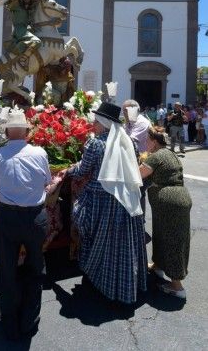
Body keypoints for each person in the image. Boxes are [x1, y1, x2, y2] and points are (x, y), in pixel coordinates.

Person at [66, 102, 147, 304]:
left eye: (96, 121)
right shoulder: (129, 142)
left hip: (100, 200)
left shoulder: (95, 144)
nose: (93, 124)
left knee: (98, 239)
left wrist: (67, 170)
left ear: (103, 123)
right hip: (126, 199)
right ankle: (125, 285)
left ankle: (99, 278)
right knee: (122, 244)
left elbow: (82, 171)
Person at [0, 108, 52, 340]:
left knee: (6, 270)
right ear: (26, 131)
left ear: (6, 131)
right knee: (36, 267)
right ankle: (29, 320)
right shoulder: (39, 152)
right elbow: (47, 180)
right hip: (35, 216)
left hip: (8, 216)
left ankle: (10, 323)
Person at [139, 127, 192, 299]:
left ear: (154, 141)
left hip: (169, 202)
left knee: (173, 240)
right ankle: (158, 265)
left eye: (147, 140)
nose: (145, 142)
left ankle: (177, 286)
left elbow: (137, 175)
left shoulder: (156, 156)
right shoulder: (170, 154)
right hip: (179, 198)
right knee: (163, 235)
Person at [5, 0, 41, 70]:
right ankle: (23, 58)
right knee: (37, 41)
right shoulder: (16, 5)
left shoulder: (28, 10)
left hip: (26, 30)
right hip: (20, 30)